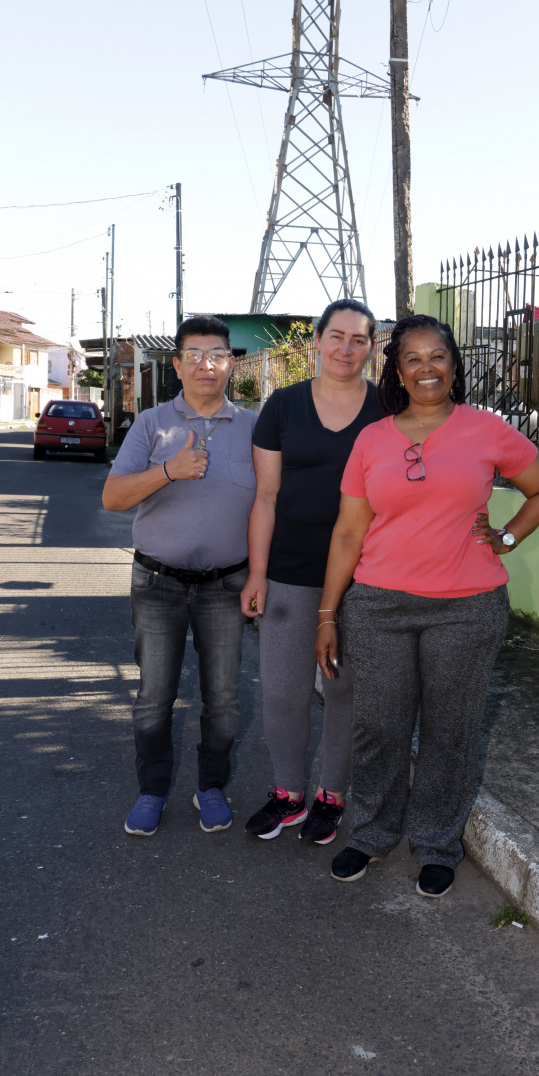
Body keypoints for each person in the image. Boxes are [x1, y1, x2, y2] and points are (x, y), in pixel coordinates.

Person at [315, 314, 539, 898]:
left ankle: (435, 844)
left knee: (451, 731)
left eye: (438, 357)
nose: (426, 368)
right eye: (413, 359)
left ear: (454, 365)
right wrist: (328, 615)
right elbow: (349, 533)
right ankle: (372, 834)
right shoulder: (372, 440)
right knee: (379, 727)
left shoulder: (488, 430)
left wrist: (505, 537)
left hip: (466, 606)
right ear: (396, 371)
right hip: (377, 606)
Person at [102, 316, 257, 837]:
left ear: (231, 362)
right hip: (158, 583)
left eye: (216, 355)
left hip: (226, 585)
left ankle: (210, 786)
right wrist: (170, 469)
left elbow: (271, 505)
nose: (206, 365)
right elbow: (113, 498)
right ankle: (151, 791)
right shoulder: (151, 424)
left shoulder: (256, 428)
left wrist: (262, 574)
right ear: (177, 364)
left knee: (224, 698)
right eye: (194, 355)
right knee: (155, 694)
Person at [240, 299, 382, 846]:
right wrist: (257, 573)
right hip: (289, 571)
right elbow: (265, 496)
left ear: (372, 348)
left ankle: (331, 795)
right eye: (337, 336)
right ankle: (288, 795)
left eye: (359, 339)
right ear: (318, 340)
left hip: (364, 575)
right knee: (281, 689)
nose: (346, 349)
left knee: (343, 690)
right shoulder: (282, 405)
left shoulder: (386, 410)